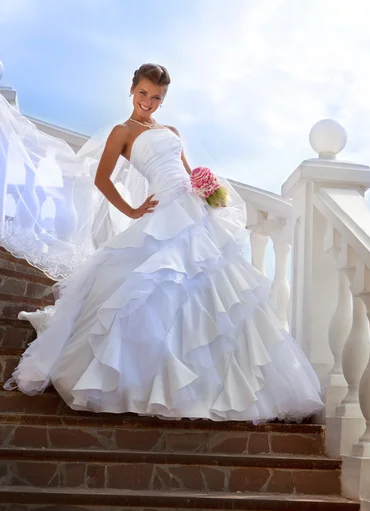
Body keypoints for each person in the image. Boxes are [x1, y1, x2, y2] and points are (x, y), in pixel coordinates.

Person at [4, 63, 323, 422]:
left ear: (163, 99)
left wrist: (207, 191)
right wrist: (133, 209)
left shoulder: (170, 130)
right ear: (132, 89)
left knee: (215, 292)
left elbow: (187, 172)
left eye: (156, 97)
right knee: (152, 288)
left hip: (192, 210)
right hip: (161, 213)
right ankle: (151, 381)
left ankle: (215, 380)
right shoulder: (122, 132)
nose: (148, 102)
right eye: (143, 93)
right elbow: (102, 178)